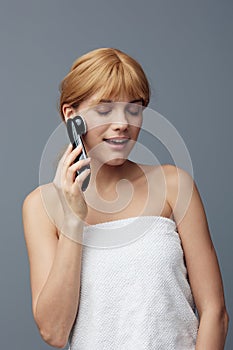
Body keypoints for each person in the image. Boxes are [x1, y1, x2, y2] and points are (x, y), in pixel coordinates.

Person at [22, 47, 229, 349]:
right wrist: (73, 220)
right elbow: (54, 332)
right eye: (104, 110)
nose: (122, 123)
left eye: (133, 109)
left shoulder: (175, 186)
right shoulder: (41, 207)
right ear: (72, 116)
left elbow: (215, 313)